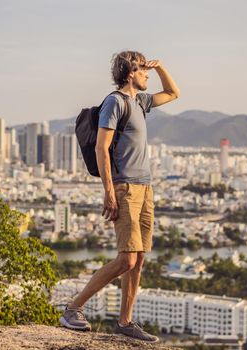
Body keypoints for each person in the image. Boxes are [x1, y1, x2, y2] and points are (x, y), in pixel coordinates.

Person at [60, 51, 180, 342]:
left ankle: (125, 321)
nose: (147, 74)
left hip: (145, 187)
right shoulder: (115, 102)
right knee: (126, 259)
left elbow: (174, 93)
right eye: (143, 70)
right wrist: (109, 191)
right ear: (129, 73)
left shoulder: (140, 101)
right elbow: (102, 147)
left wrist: (161, 65)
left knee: (138, 259)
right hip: (125, 187)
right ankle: (73, 308)